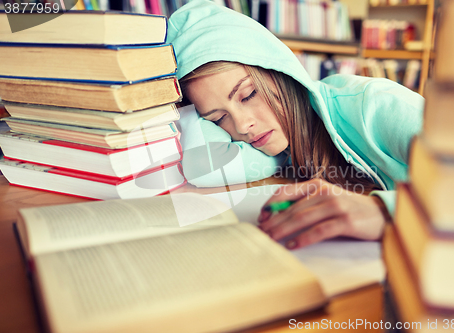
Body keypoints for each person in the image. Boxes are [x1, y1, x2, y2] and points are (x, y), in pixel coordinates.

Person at [167, 0, 424, 249]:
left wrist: (384, 211)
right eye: (218, 118)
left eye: (248, 95)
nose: (242, 126)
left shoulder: (375, 104)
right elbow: (204, 167)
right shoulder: (282, 144)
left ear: (279, 70)